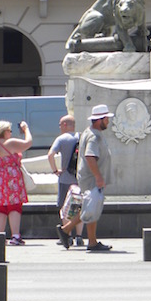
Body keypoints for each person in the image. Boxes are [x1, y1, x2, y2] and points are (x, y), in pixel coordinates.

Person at [57, 104, 114, 253]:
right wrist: (98, 176)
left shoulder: (90, 133)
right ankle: (68, 230)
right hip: (91, 179)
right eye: (106, 119)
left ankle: (89, 240)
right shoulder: (94, 136)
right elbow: (90, 156)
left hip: (89, 177)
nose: (108, 121)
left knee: (90, 208)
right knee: (90, 208)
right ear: (99, 120)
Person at [0, 119, 33, 245]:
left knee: (1, 208)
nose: (11, 134)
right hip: (11, 178)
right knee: (14, 206)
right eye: (10, 131)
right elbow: (28, 142)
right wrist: (26, 128)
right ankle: (15, 236)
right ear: (5, 132)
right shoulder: (10, 143)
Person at [48, 115, 84, 247]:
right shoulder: (82, 137)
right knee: (79, 207)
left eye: (59, 125)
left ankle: (67, 236)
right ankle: (79, 237)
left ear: (64, 125)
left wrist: (55, 170)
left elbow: (50, 154)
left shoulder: (62, 139)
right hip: (80, 179)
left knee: (65, 208)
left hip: (65, 179)